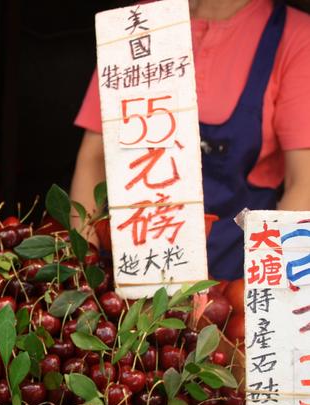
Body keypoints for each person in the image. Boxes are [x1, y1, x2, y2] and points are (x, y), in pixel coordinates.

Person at [70, 0, 310, 280]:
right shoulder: (139, 23)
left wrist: (259, 299)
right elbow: (94, 160)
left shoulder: (296, 38)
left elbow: (303, 186)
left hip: (234, 283)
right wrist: (82, 273)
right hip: (123, 282)